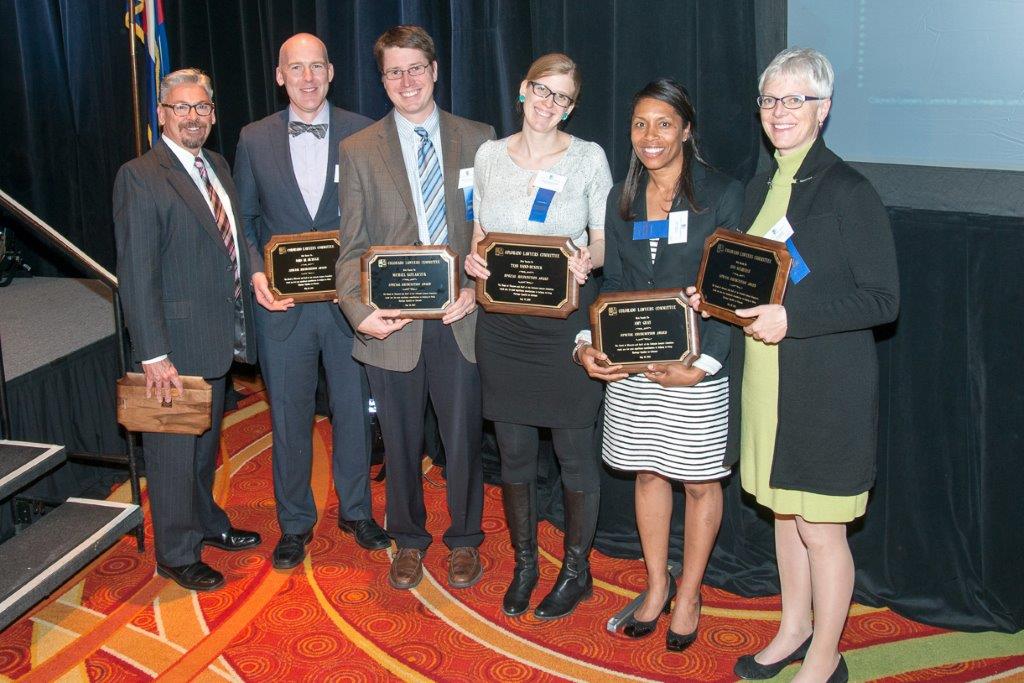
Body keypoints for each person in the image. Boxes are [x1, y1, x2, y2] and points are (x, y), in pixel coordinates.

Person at [689, 48, 898, 683]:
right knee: (785, 515)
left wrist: (794, 321)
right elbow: (759, 276)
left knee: (822, 530)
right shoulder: (765, 181)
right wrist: (716, 297)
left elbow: (883, 299)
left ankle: (826, 659)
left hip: (824, 387)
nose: (780, 112)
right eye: (770, 100)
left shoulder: (847, 190)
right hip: (768, 380)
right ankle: (794, 629)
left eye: (795, 100)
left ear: (823, 109)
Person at [578, 79, 741, 647]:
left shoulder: (722, 193)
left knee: (698, 483)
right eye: (640, 124)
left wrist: (707, 365)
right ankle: (655, 584)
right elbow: (617, 284)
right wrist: (596, 345)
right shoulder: (619, 200)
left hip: (696, 367)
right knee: (647, 472)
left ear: (687, 130)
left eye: (664, 124)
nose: (651, 136)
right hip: (634, 369)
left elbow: (731, 292)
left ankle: (690, 591)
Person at [334, 25, 494, 591]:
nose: (407, 80)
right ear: (382, 81)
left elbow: (491, 233)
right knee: (399, 442)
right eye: (394, 71)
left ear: (434, 70)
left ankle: (467, 539)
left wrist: (478, 289)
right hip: (392, 325)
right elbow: (348, 248)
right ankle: (407, 539)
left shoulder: (480, 141)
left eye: (416, 68)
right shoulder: (357, 150)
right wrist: (359, 313)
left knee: (463, 441)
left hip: (460, 318)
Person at [463, 53, 612, 620]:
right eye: (541, 91)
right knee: (515, 453)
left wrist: (584, 262)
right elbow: (480, 235)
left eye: (563, 97)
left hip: (564, 329)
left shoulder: (588, 159)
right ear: (522, 91)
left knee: (575, 454)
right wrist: (475, 263)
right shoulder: (488, 155)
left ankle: (577, 571)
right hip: (502, 330)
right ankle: (526, 563)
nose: (549, 104)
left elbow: (602, 242)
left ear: (572, 106)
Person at [233, 33, 383, 570]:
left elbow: (378, 221)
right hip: (284, 310)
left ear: (332, 71)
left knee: (353, 412)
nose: (308, 77)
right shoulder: (253, 139)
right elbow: (245, 220)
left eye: (316, 66)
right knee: (290, 417)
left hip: (348, 307)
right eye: (296, 69)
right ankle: (295, 523)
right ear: (280, 76)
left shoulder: (364, 131)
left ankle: (357, 511)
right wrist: (255, 273)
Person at [113, 68, 261, 591]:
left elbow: (232, 241)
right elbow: (136, 273)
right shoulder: (140, 175)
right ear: (162, 114)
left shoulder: (215, 163)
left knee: (202, 448)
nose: (192, 116)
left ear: (213, 114)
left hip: (215, 336)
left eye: (201, 107)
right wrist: (152, 353)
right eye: (182, 107)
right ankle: (175, 553)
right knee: (173, 455)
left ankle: (207, 523)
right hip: (172, 346)